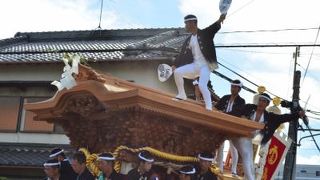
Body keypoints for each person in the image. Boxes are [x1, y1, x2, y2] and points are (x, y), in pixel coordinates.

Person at [230, 93, 305, 180]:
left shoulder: (269, 117)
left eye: (264, 101)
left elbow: (283, 117)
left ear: (267, 104)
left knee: (249, 160)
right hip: (239, 135)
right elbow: (235, 112)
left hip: (252, 138)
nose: (261, 102)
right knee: (247, 156)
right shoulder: (248, 108)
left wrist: (298, 114)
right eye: (260, 100)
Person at [172, 13, 226, 110]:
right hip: (195, 66)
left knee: (202, 85)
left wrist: (219, 20)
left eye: (186, 23)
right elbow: (182, 54)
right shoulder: (188, 40)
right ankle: (181, 94)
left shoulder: (205, 33)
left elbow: (213, 28)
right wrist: (175, 64)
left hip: (205, 66)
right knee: (177, 72)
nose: (185, 26)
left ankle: (209, 106)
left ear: (193, 23)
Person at [214, 80, 245, 176]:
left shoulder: (241, 101)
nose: (233, 89)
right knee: (220, 146)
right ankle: (220, 168)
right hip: (222, 124)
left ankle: (234, 170)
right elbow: (217, 107)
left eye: (235, 87)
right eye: (232, 87)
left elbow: (238, 113)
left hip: (233, 126)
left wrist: (224, 114)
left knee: (233, 148)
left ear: (239, 89)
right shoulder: (225, 97)